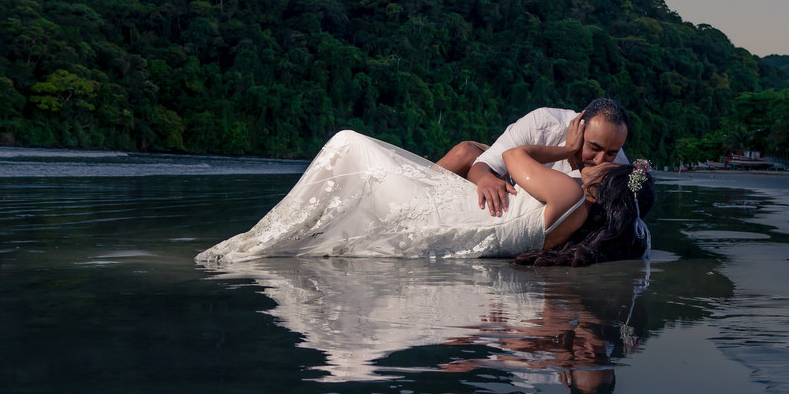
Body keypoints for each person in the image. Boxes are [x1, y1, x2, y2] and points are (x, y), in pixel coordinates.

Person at [195, 119, 654, 266]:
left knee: (349, 144)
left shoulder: (571, 196)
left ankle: (275, 237)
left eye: (606, 169)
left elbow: (514, 157)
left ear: (602, 195)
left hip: (469, 215)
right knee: (461, 153)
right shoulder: (586, 222)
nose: (599, 167)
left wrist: (567, 149)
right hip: (473, 230)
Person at [436, 98, 631, 218]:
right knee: (463, 153)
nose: (600, 160)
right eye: (593, 148)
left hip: (543, 208)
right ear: (578, 126)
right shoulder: (542, 123)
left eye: (611, 153)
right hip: (508, 179)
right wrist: (486, 180)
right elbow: (481, 167)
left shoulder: (618, 165)